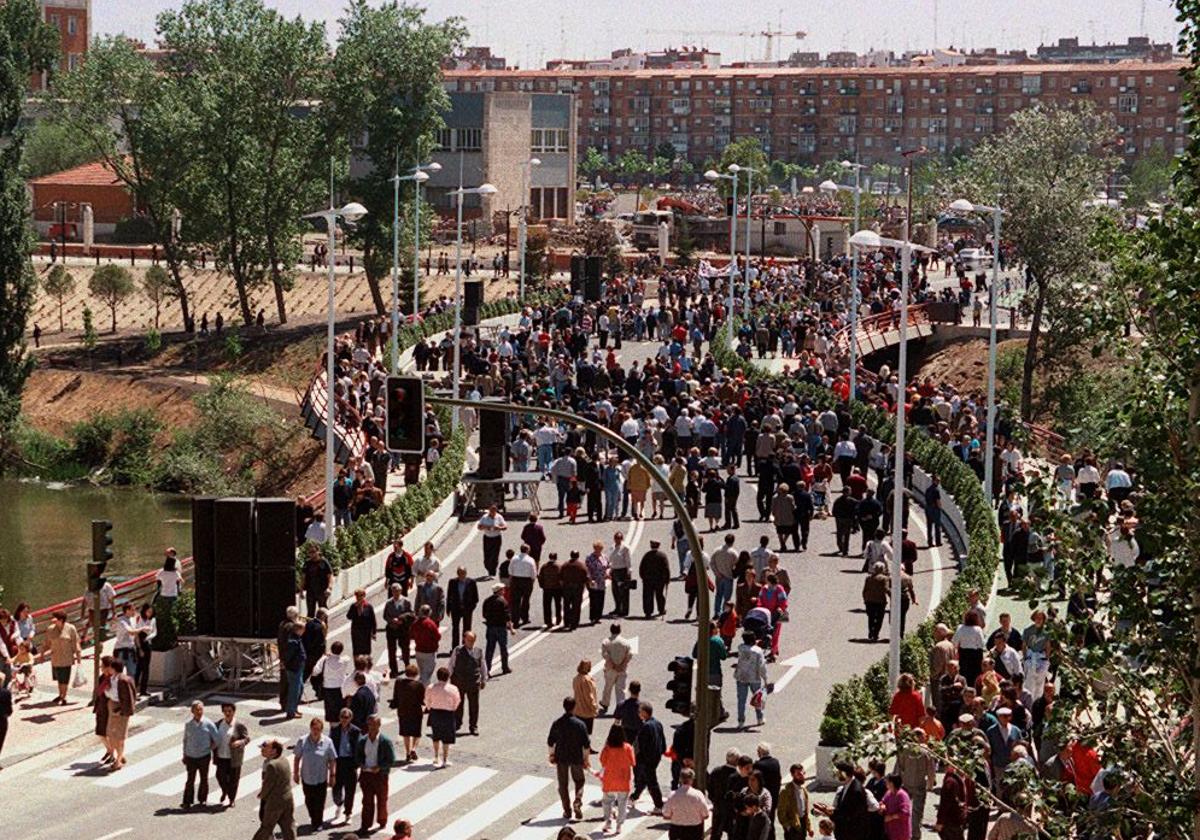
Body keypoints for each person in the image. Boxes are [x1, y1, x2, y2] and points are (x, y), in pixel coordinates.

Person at [548, 696, 592, 821]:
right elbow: (586, 744)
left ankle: (567, 810)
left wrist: (551, 755)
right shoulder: (580, 724)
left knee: (563, 784)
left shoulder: (557, 723)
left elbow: (551, 741)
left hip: (561, 756)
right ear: (574, 707)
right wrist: (586, 759)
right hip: (576, 757)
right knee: (579, 781)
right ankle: (577, 802)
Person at [293, 717, 337, 830]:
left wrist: (332, 775)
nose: (315, 731)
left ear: (321, 730)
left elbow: (332, 760)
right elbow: (297, 757)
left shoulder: (327, 742)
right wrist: (296, 773)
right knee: (309, 800)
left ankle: (317, 823)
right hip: (307, 777)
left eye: (318, 729)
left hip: (321, 778)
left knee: (319, 802)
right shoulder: (302, 741)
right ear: (310, 728)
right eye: (313, 729)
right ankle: (313, 817)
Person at [356, 715, 396, 836]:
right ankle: (365, 825)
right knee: (367, 801)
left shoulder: (385, 741)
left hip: (380, 776)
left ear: (379, 725)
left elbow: (391, 760)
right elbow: (358, 756)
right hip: (366, 775)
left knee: (382, 800)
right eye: (369, 725)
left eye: (374, 725)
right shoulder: (363, 740)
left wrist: (380, 767)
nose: (371, 727)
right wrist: (361, 764)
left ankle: (382, 820)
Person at [814, 761, 870, 840]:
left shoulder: (856, 790)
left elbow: (850, 815)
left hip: (852, 835)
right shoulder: (848, 785)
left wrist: (831, 814)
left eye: (838, 772)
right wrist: (831, 810)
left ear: (844, 773)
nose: (836, 775)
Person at [253, 740, 296, 840]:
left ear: (274, 751)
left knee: (266, 827)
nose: (263, 749)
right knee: (288, 826)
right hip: (287, 799)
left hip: (275, 803)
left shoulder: (272, 765)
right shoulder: (284, 760)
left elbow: (268, 784)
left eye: (266, 747)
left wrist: (261, 795)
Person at [599, 724, 637, 834]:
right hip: (624, 779)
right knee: (622, 802)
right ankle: (619, 825)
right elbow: (633, 762)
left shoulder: (607, 748)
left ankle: (608, 821)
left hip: (610, 779)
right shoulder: (628, 748)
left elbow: (602, 761)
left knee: (607, 801)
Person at [448, 631, 487, 736]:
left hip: (473, 683)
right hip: (458, 682)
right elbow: (451, 665)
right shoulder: (457, 651)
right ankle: (457, 723)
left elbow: (483, 665)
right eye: (469, 640)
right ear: (464, 639)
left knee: (474, 705)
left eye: (473, 640)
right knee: (458, 704)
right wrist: (447, 680)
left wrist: (484, 679)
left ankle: (473, 726)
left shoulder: (479, 651)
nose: (471, 642)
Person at [181, 700, 218, 808]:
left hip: (204, 756)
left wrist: (209, 749)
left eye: (201, 709)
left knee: (204, 778)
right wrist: (184, 754)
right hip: (190, 756)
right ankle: (187, 801)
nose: (199, 711)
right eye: (197, 709)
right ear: (192, 711)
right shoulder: (188, 724)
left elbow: (217, 739)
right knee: (190, 779)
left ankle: (202, 800)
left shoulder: (209, 724)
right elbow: (185, 740)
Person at [631, 701, 666, 815]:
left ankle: (659, 805)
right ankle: (634, 797)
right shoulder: (657, 723)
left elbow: (642, 745)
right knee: (644, 778)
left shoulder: (646, 727)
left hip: (648, 759)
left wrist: (639, 758)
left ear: (645, 713)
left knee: (651, 781)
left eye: (640, 712)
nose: (638, 714)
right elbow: (662, 740)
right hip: (656, 757)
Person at [214, 701, 250, 806]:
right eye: (225, 711)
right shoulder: (218, 724)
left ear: (234, 712)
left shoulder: (239, 726)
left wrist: (240, 742)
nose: (227, 713)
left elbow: (247, 738)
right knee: (220, 776)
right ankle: (225, 790)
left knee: (234, 780)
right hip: (221, 756)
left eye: (229, 711)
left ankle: (231, 799)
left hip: (234, 758)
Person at [425, 666, 462, 767]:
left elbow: (427, 700)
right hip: (448, 714)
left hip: (435, 712)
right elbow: (457, 701)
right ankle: (445, 759)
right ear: (448, 677)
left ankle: (436, 757)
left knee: (436, 736)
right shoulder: (453, 688)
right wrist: (453, 709)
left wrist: (430, 708)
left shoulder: (430, 687)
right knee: (447, 738)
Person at [330, 708, 362, 821]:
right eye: (342, 717)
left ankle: (348, 812)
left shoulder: (356, 731)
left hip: (350, 762)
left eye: (347, 717)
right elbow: (330, 746)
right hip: (338, 762)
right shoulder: (334, 730)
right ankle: (339, 803)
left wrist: (358, 764)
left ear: (350, 718)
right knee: (336, 788)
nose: (344, 720)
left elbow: (359, 748)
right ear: (339, 718)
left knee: (350, 790)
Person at [663, 767, 711, 839]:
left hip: (677, 830)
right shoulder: (698, 795)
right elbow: (706, 815)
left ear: (680, 779)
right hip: (694, 830)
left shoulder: (672, 795)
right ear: (692, 780)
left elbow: (666, 815)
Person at [106, 658, 137, 770]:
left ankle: (118, 761)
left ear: (113, 668)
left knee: (119, 736)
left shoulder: (123, 680)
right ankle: (120, 755)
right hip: (112, 705)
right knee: (111, 734)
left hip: (120, 709)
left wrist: (123, 710)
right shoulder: (112, 679)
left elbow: (129, 697)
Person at [391, 663, 425, 763]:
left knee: (406, 733)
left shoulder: (399, 682)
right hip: (416, 711)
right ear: (416, 674)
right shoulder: (419, 685)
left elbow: (395, 696)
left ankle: (407, 752)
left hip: (403, 710)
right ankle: (414, 749)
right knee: (416, 733)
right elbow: (422, 700)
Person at [734, 631, 768, 729]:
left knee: (741, 700)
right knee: (758, 698)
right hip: (754, 677)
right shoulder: (758, 651)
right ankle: (759, 718)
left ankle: (741, 721)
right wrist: (765, 679)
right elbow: (762, 666)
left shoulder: (740, 647)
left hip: (741, 676)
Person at [46, 609, 81, 705]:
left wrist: (78, 657)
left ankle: (63, 696)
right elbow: (47, 643)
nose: (52, 620)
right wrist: (41, 655)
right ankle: (60, 694)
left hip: (66, 658)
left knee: (65, 679)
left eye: (55, 618)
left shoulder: (71, 628)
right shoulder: (50, 629)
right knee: (59, 678)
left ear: (61, 620)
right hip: (55, 658)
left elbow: (75, 643)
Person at [600, 623, 633, 714]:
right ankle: (620, 707)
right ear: (620, 630)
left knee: (608, 687)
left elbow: (605, 655)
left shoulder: (606, 642)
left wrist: (613, 665)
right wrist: (622, 665)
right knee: (621, 689)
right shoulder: (625, 642)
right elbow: (629, 655)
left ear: (611, 630)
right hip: (622, 669)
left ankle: (605, 703)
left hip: (610, 668)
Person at [382, 585, 414, 679]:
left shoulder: (406, 601)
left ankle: (407, 666)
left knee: (405, 649)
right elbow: (385, 616)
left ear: (401, 591)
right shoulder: (388, 603)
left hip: (403, 629)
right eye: (393, 591)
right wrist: (392, 620)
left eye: (397, 591)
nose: (395, 593)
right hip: (391, 629)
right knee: (391, 651)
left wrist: (402, 619)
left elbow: (412, 614)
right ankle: (394, 670)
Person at [482, 583, 513, 675]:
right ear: (499, 591)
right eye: (502, 590)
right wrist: (511, 628)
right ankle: (505, 667)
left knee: (490, 649)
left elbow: (484, 614)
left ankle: (487, 669)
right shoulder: (503, 601)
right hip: (501, 628)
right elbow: (507, 616)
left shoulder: (487, 601)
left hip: (490, 627)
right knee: (503, 648)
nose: (504, 591)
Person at [446, 566, 480, 647]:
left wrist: (471, 608)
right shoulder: (452, 582)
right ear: (457, 574)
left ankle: (466, 646)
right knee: (455, 629)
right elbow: (449, 595)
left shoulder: (471, 582)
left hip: (467, 609)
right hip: (455, 609)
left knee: (467, 628)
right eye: (460, 573)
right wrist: (448, 609)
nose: (462, 575)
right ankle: (455, 647)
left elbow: (476, 597)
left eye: (463, 573)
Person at [778, 763, 813, 840]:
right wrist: (788, 827)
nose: (802, 776)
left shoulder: (804, 790)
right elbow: (781, 812)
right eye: (798, 774)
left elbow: (805, 810)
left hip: (802, 825)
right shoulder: (786, 791)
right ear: (792, 775)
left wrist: (809, 827)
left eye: (803, 773)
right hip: (792, 827)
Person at [640, 538, 672, 618]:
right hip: (659, 580)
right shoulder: (662, 556)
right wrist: (667, 579)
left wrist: (643, 577)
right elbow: (666, 568)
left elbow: (642, 567)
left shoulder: (646, 555)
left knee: (648, 595)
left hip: (648, 580)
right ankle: (661, 609)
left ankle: (648, 612)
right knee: (660, 595)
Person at [410, 604, 441, 685]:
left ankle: (421, 687)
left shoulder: (416, 623)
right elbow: (437, 636)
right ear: (429, 612)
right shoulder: (431, 623)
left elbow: (411, 635)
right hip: (429, 652)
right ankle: (423, 691)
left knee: (422, 672)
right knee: (427, 674)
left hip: (419, 651)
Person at [282, 621, 307, 719]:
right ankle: (291, 712)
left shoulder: (296, 638)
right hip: (294, 668)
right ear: (298, 629)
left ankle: (294, 708)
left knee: (299, 688)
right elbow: (288, 656)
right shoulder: (293, 641)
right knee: (294, 691)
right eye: (303, 629)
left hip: (298, 667)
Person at [477, 504, 508, 578]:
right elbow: (479, 526)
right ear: (489, 510)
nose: (493, 513)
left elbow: (505, 527)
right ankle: (488, 567)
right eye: (491, 511)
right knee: (487, 555)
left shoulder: (499, 517)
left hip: (496, 538)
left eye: (494, 511)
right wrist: (486, 527)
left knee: (495, 555)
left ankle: (492, 571)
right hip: (487, 538)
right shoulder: (484, 517)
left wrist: (499, 527)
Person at [863, 562, 891, 643]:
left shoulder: (868, 578)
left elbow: (865, 590)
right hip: (880, 601)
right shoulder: (884, 578)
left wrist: (865, 599)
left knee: (871, 617)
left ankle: (871, 632)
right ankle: (875, 634)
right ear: (883, 569)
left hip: (869, 600)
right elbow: (886, 589)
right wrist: (892, 597)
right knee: (879, 618)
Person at [347, 589, 378, 659]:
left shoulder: (368, 606)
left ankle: (366, 666)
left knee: (366, 650)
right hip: (356, 632)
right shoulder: (353, 606)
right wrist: (355, 607)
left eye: (361, 595)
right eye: (357, 595)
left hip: (366, 632)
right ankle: (357, 666)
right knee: (356, 650)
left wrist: (374, 632)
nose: (359, 597)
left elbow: (373, 620)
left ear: (364, 595)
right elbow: (348, 616)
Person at [135, 603, 157, 696]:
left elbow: (154, 631)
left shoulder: (152, 620)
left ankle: (143, 689)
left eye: (151, 612)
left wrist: (149, 636)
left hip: (147, 642)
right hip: (141, 643)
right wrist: (139, 648)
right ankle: (135, 688)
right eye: (148, 612)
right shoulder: (140, 619)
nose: (149, 614)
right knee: (139, 668)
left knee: (146, 668)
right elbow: (137, 634)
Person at [882, 773, 912, 840]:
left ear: (892, 783)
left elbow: (905, 813)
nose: (885, 783)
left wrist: (891, 817)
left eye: (887, 781)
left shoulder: (902, 795)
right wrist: (882, 806)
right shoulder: (889, 793)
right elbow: (883, 801)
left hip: (901, 832)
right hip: (891, 831)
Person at [573, 659, 599, 734]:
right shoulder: (586, 680)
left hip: (578, 709)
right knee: (586, 733)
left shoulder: (576, 678)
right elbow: (589, 696)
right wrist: (594, 708)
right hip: (586, 711)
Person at [539, 552, 564, 627]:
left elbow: (540, 577)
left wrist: (542, 585)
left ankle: (548, 621)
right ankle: (558, 619)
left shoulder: (544, 566)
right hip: (557, 588)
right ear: (556, 558)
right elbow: (561, 577)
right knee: (558, 604)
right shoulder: (559, 566)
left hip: (547, 588)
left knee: (547, 605)